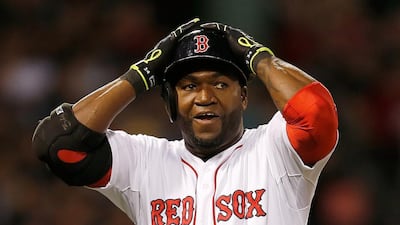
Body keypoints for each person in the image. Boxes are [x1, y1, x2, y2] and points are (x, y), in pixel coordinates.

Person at [32, 18, 339, 225]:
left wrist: (258, 57)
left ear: (243, 96)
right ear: (170, 101)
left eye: (220, 83)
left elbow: (316, 113)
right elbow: (59, 144)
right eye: (189, 86)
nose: (205, 96)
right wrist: (139, 76)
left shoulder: (276, 150)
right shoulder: (144, 161)